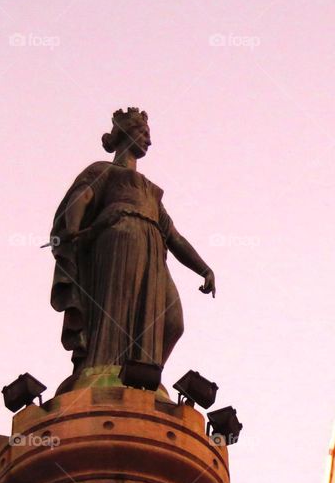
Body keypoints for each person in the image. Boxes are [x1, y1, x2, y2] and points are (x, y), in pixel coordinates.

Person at [50, 107, 215, 384]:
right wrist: (73, 229)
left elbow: (173, 236)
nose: (149, 141)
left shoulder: (151, 190)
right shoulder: (103, 170)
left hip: (153, 247)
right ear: (126, 133)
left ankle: (143, 377)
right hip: (118, 239)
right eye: (144, 133)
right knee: (118, 308)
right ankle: (103, 370)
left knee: (172, 322)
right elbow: (82, 196)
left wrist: (204, 269)